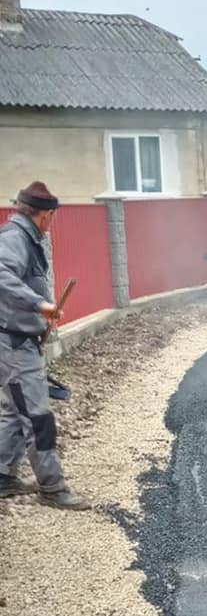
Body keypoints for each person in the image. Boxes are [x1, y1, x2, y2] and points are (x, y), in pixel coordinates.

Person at [0, 182, 90, 510]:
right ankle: (53, 489)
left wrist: (41, 315)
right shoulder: (15, 239)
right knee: (38, 417)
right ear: (44, 215)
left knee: (13, 409)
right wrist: (40, 305)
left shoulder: (26, 237)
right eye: (52, 216)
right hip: (14, 345)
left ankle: (3, 475)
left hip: (15, 342)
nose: (52, 223)